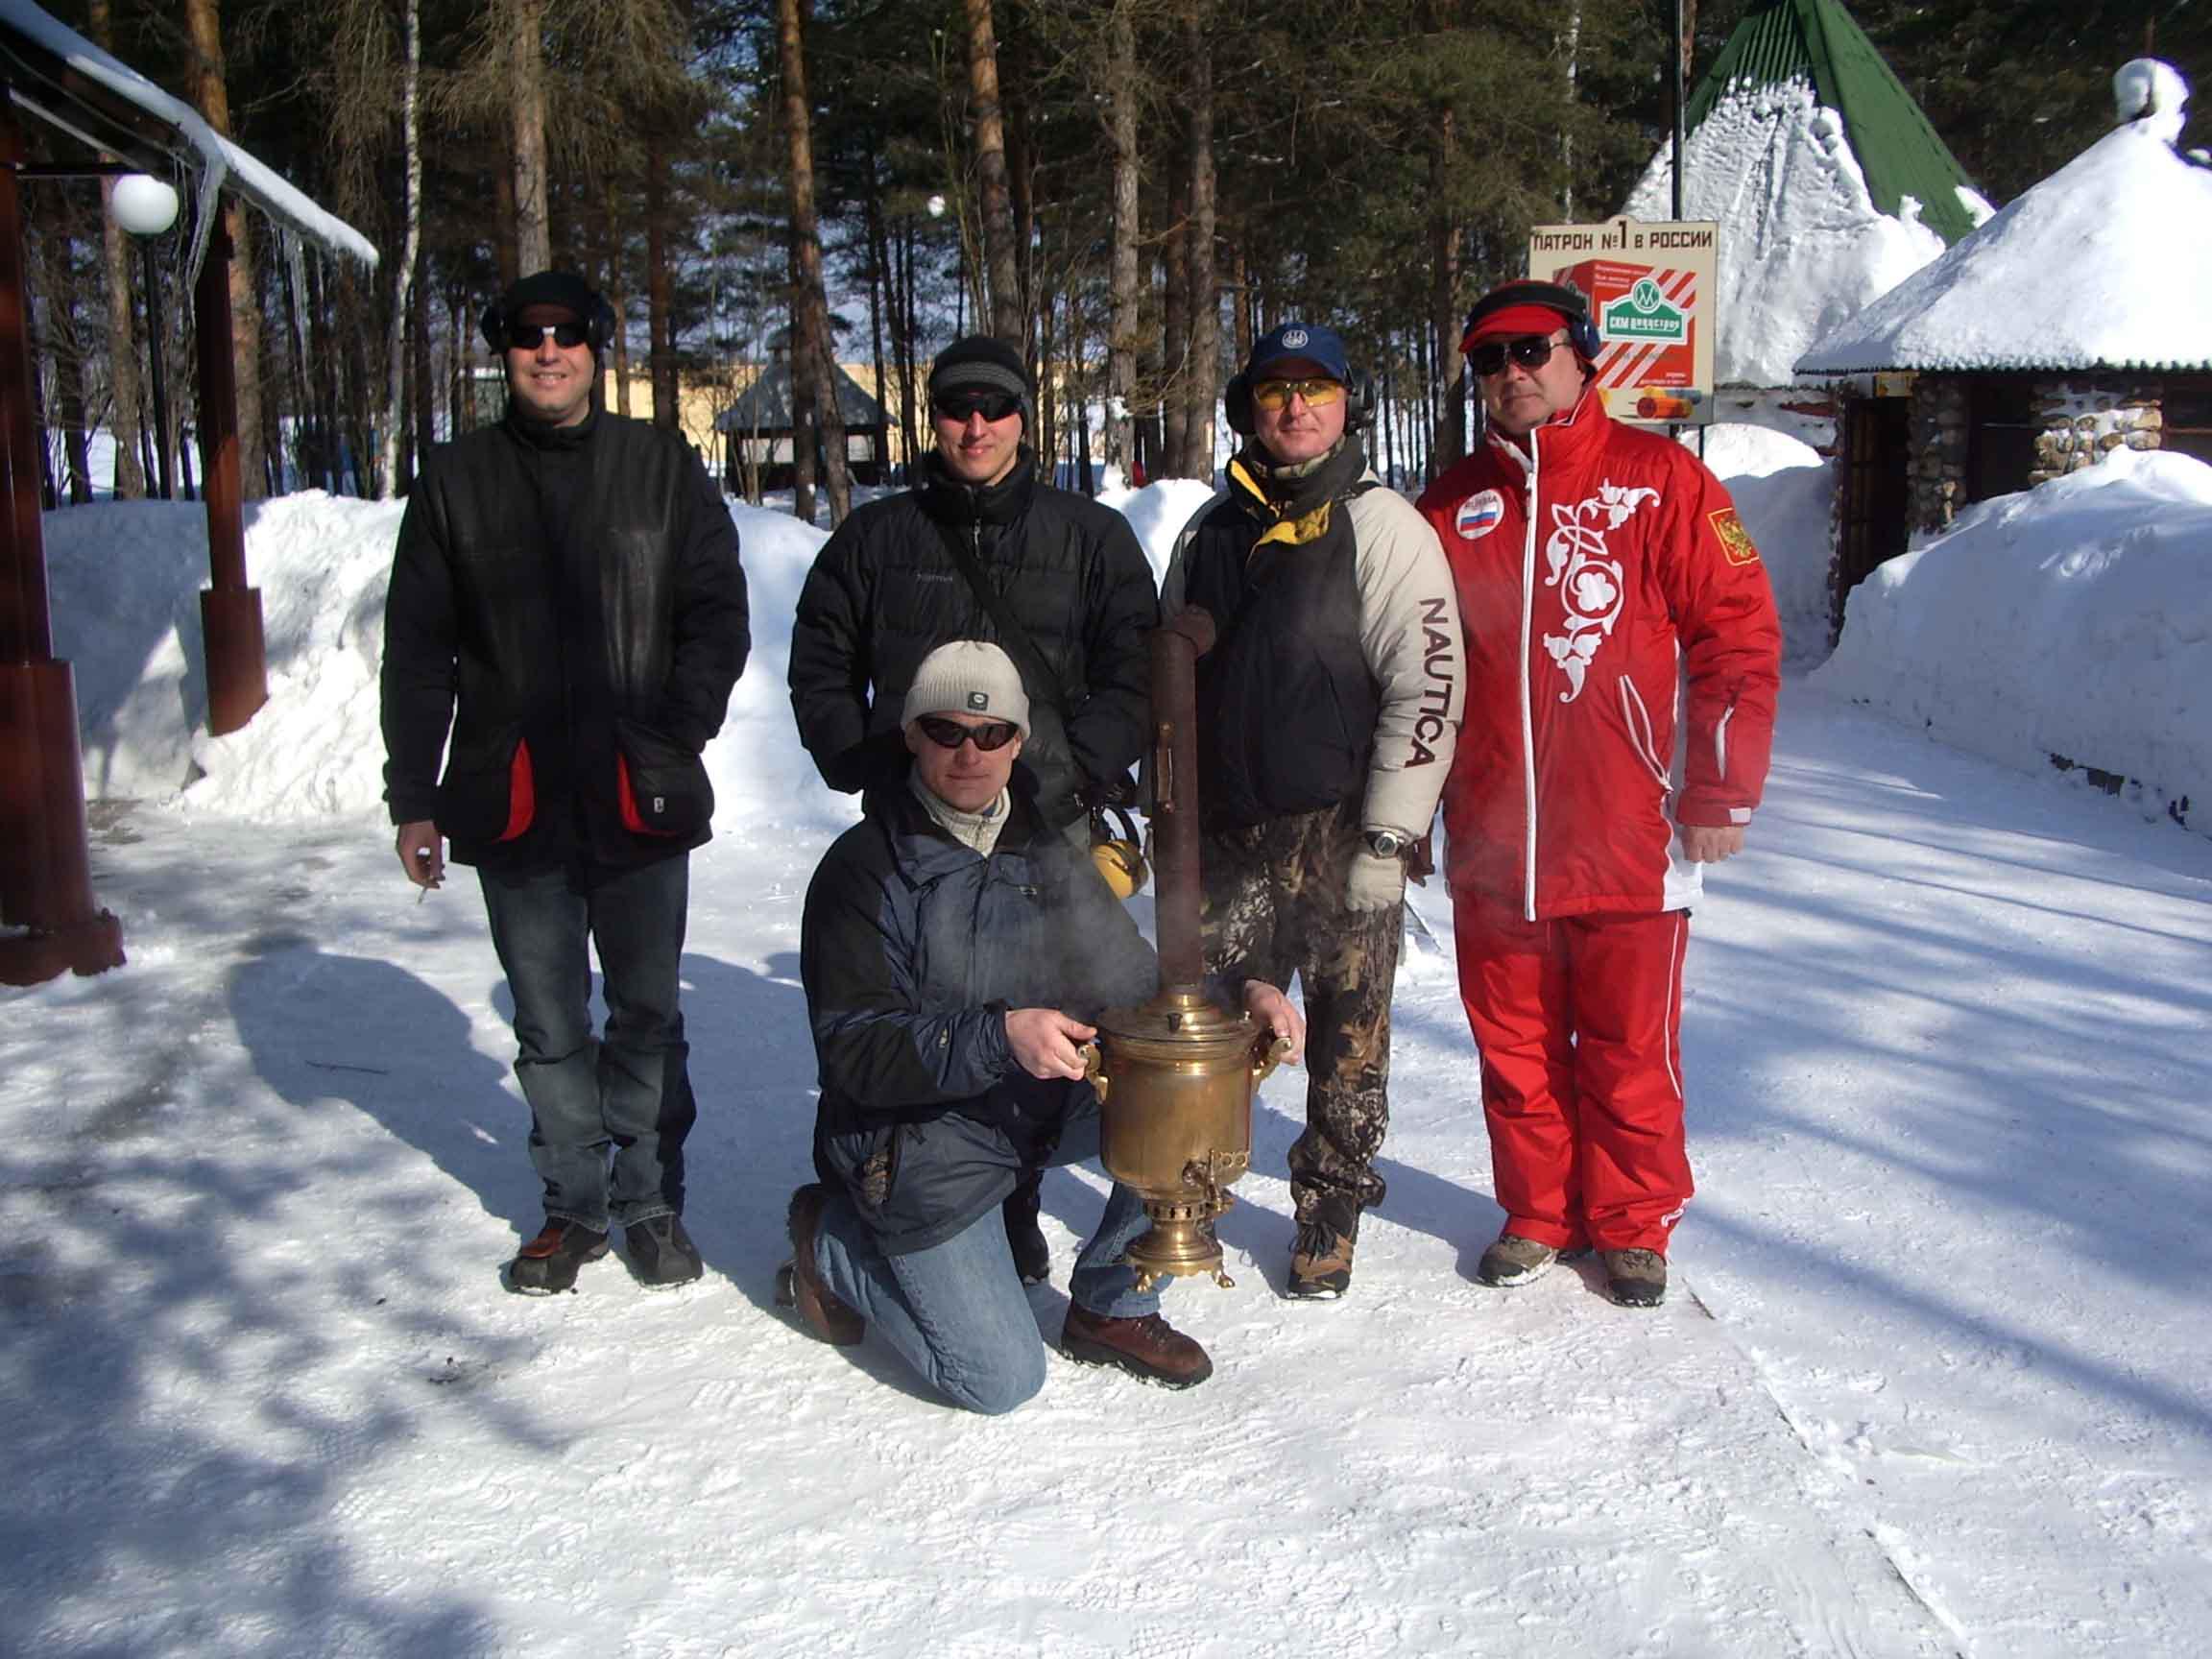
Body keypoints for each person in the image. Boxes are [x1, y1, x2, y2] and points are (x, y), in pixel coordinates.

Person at [781, 641, 1304, 1413]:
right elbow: (854, 1051)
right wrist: (1000, 1036)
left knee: (1192, 1089)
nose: (969, 752)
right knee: (997, 1381)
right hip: (919, 1140)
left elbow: (1131, 982)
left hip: (1028, 1107)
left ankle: (1109, 1303)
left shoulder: (1042, 850)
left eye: (991, 734)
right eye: (947, 730)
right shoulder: (863, 872)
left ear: (1018, 741)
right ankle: (830, 1240)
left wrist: (1240, 995)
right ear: (912, 736)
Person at [381, 270, 750, 1294]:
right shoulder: (458, 481)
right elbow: (418, 652)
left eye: (569, 334)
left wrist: (674, 732)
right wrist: (413, 793)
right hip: (517, 800)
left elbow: (715, 614)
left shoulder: (659, 466)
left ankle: (647, 1199)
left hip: (639, 796)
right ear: (506, 352)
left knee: (645, 1014)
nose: (549, 351)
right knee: (547, 1025)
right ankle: (572, 1207)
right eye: (528, 336)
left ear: (596, 348)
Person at [1416, 279, 1782, 1309]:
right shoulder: (1449, 504)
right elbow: (1412, 670)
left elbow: (1738, 637)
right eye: (1489, 360)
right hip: (1497, 841)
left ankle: (1630, 1222)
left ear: (1584, 357)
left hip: (1630, 835)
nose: (1511, 375)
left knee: (1627, 1051)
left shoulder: (1662, 480)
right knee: (1516, 1049)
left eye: (1530, 351)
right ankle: (1538, 1210)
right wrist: (1407, 809)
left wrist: (1718, 788)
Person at [787, 335, 1160, 1285]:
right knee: (944, 1010)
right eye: (958, 407)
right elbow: (821, 659)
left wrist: (1080, 764)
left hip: (1051, 825)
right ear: (934, 419)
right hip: (921, 831)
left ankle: (1018, 1191)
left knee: (1060, 1022)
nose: (977, 424)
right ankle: (938, 1187)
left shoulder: (1088, 536)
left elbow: (1136, 663)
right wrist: (863, 758)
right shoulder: (876, 540)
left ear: (1024, 419)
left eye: (996, 406)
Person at [1160, 323, 1465, 1299]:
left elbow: (1429, 684)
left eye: (1316, 390)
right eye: (1275, 390)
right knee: (1207, 1021)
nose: (1295, 408)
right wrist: (1160, 818)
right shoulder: (1207, 532)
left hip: (1340, 831)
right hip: (1228, 832)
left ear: (1345, 405)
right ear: (1248, 407)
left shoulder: (1381, 526)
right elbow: (1166, 687)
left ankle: (1330, 1202)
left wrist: (1391, 833)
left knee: (1346, 1034)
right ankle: (1190, 1181)